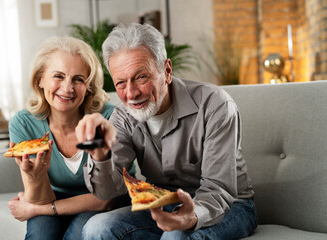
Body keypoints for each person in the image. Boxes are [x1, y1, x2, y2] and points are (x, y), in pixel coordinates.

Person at [76, 23, 258, 240]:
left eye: (141, 77)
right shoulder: (123, 116)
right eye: (121, 83)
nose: (131, 93)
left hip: (228, 206)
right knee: (96, 228)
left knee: (175, 237)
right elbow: (107, 192)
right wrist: (100, 156)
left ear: (167, 71)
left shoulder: (214, 105)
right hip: (163, 204)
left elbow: (219, 190)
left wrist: (189, 218)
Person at [7, 36, 118, 240]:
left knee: (78, 234)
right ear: (40, 79)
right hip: (53, 198)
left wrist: (36, 210)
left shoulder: (108, 118)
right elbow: (38, 199)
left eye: (78, 79)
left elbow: (105, 200)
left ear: (88, 87)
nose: (67, 88)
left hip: (105, 201)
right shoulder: (23, 124)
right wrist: (35, 177)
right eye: (58, 76)